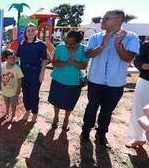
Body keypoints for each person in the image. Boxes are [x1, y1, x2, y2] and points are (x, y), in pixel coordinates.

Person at [80, 10, 140, 148]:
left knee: (107, 110)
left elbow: (128, 58)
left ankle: (101, 134)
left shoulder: (131, 37)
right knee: (91, 107)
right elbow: (88, 54)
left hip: (115, 83)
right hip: (95, 81)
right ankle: (85, 131)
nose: (102, 20)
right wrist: (103, 45)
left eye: (106, 18)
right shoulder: (96, 36)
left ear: (118, 20)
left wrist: (118, 46)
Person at [48, 30, 88, 131]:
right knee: (56, 101)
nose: (68, 45)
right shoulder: (60, 47)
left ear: (78, 42)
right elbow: (54, 63)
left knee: (69, 103)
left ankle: (66, 119)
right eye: (66, 42)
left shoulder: (84, 49)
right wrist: (65, 63)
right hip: (58, 79)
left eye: (71, 44)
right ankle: (56, 117)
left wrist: (73, 62)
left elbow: (84, 66)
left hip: (74, 82)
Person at [16, 23, 48, 122]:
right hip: (23, 72)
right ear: (25, 32)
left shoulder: (40, 44)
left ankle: (35, 113)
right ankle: (27, 110)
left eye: (32, 30)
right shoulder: (22, 44)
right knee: (25, 93)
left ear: (36, 32)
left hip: (35, 72)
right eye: (28, 30)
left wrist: (42, 73)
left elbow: (44, 60)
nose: (30, 32)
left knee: (34, 93)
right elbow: (17, 58)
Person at [126, 41, 149, 148]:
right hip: (146, 81)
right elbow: (138, 62)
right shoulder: (146, 45)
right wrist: (143, 66)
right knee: (140, 110)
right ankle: (139, 138)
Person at [0, 49, 24, 126]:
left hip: (14, 91)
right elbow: (1, 76)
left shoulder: (17, 68)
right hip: (5, 90)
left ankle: (13, 115)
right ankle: (7, 112)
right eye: (10, 58)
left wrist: (19, 89)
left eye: (14, 57)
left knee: (13, 104)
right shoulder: (2, 66)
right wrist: (0, 86)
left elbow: (20, 79)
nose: (13, 59)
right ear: (6, 59)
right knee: (7, 103)